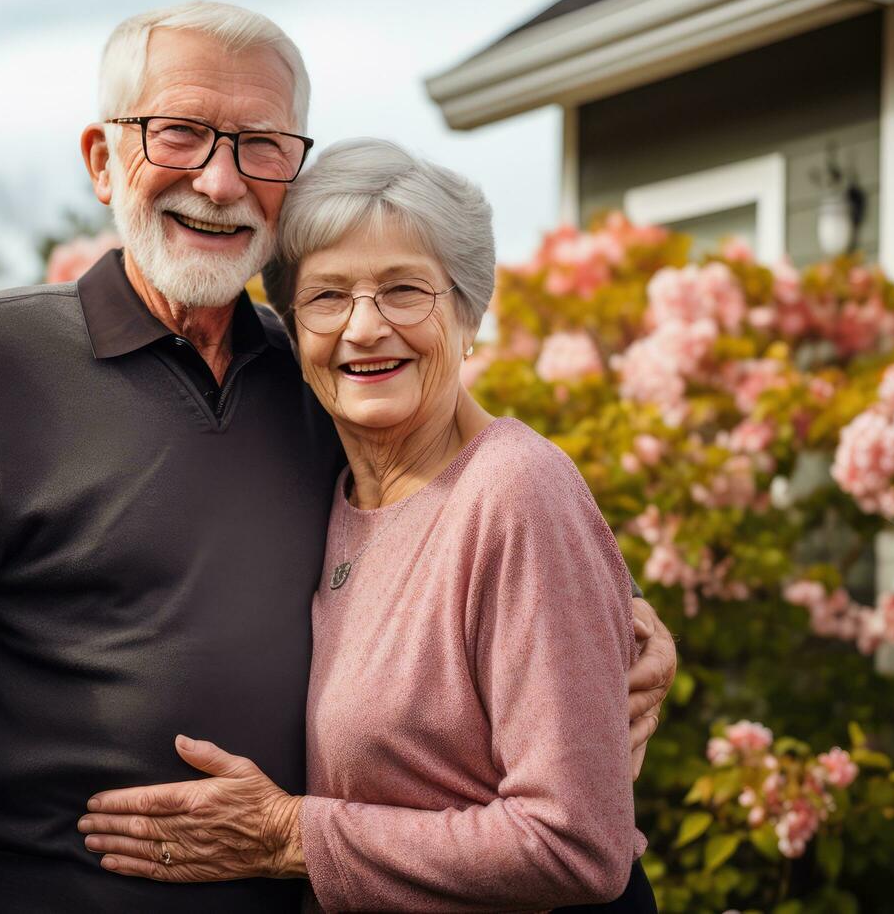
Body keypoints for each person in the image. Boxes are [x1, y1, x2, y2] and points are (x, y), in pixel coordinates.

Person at [0, 1, 675, 913]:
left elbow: (479, 508)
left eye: (262, 145)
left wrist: (621, 620)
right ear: (103, 160)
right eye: (181, 134)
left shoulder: (321, 374)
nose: (223, 181)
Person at [77, 138, 657, 911]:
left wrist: (290, 836)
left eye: (404, 291)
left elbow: (574, 844)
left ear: (469, 309)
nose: (363, 328)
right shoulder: (332, 485)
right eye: (327, 297)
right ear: (290, 328)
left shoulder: (514, 489)